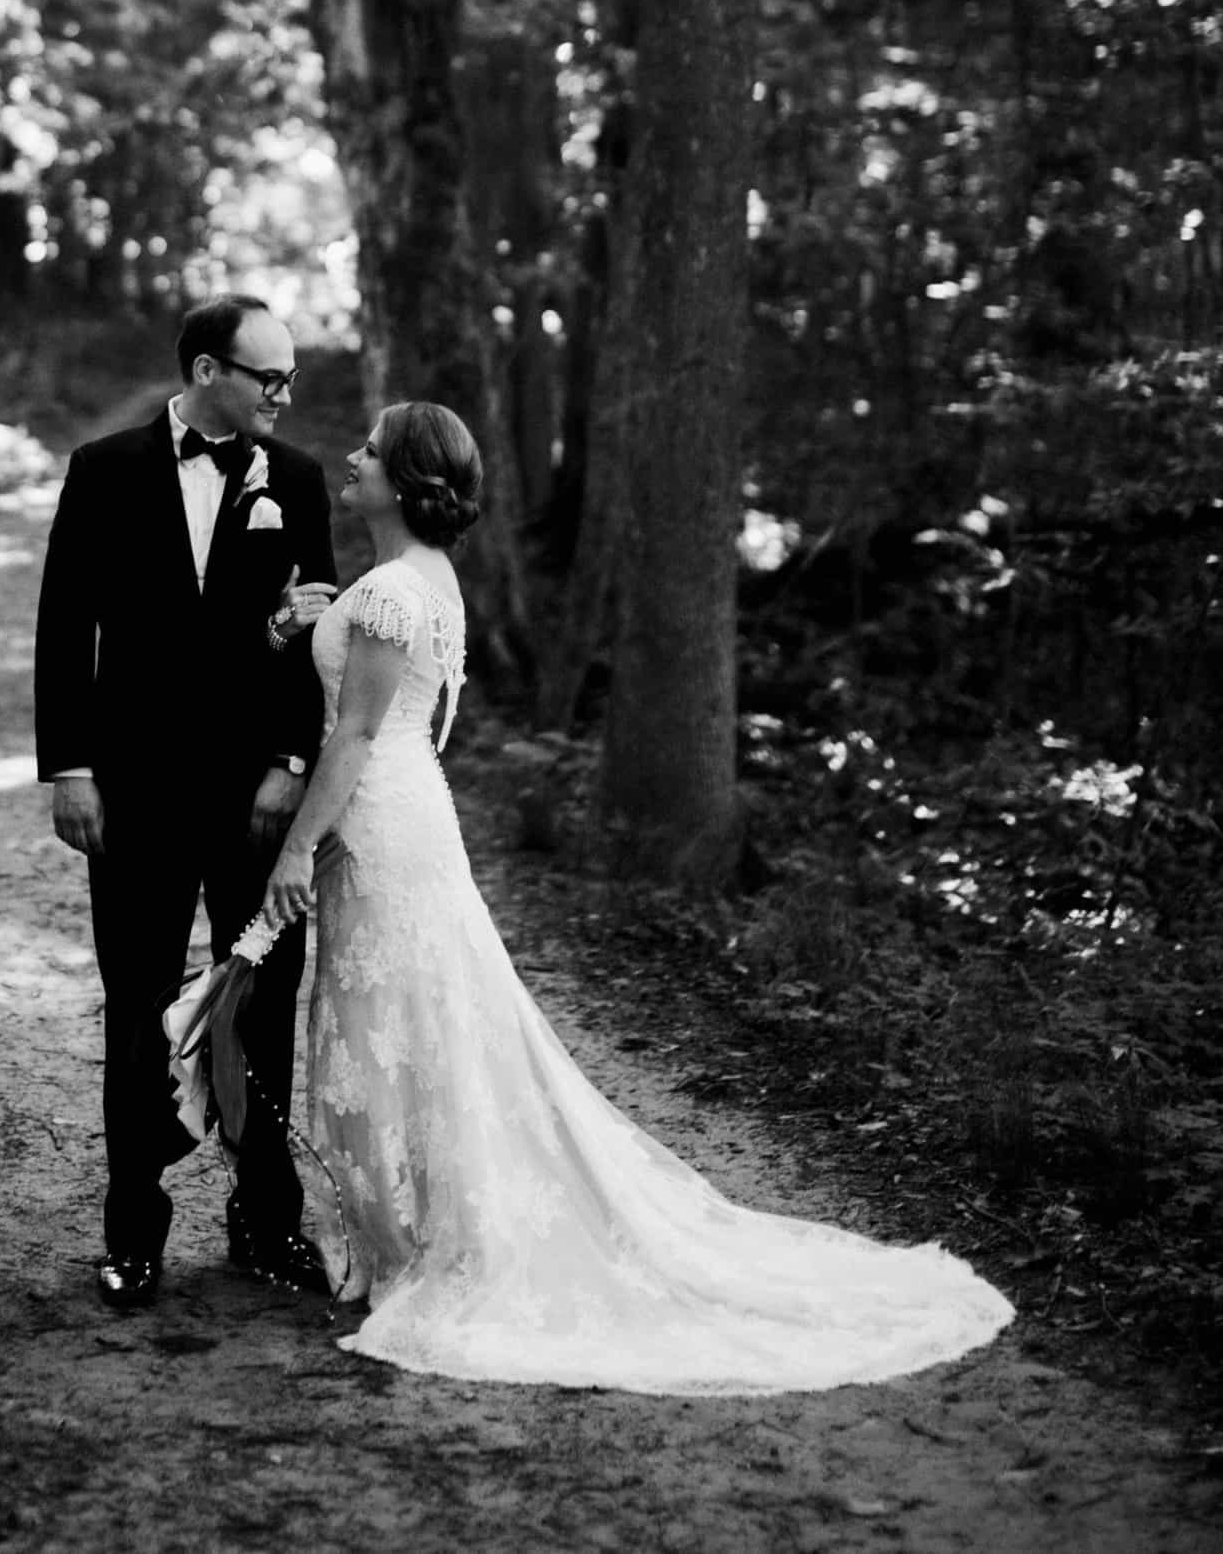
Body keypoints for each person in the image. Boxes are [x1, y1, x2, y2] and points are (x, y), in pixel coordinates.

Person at [260, 401, 1016, 1391]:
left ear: (403, 482)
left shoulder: (392, 590)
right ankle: (416, 1224)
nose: (349, 458)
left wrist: (293, 849)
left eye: (368, 448)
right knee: (421, 1018)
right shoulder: (417, 582)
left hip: (381, 816)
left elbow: (355, 737)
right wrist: (301, 623)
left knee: (392, 1020)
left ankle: (423, 1242)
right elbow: (386, 709)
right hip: (406, 812)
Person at [34, 293, 338, 1312]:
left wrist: (294, 758)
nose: (284, 396)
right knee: (137, 1002)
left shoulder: (292, 479)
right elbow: (63, 625)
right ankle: (133, 1228)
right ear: (209, 370)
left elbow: (317, 635)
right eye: (268, 377)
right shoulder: (104, 470)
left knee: (260, 1000)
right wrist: (68, 767)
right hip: (134, 791)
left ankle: (264, 1220)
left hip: (256, 795)